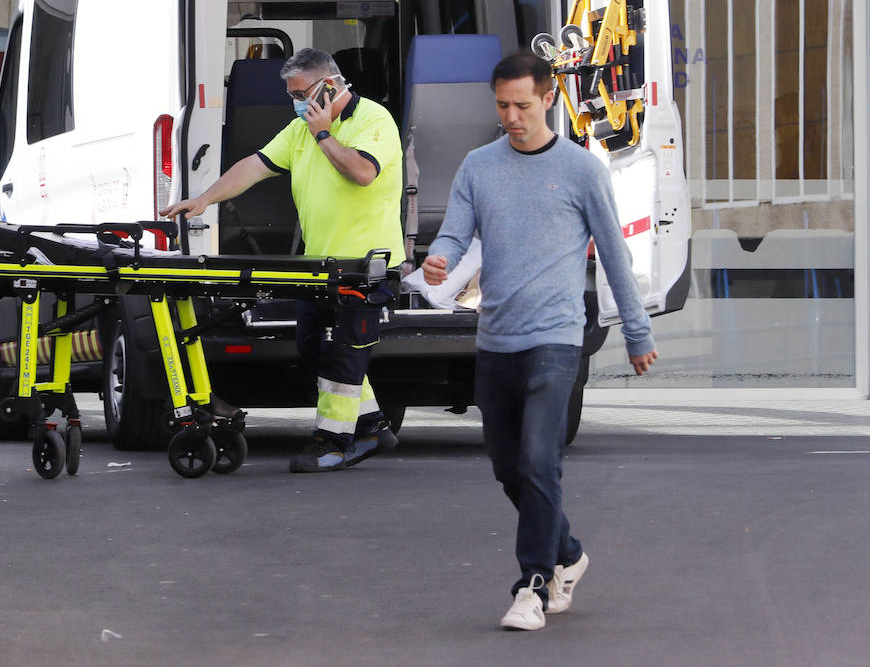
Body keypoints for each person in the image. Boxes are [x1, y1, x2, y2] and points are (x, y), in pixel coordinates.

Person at [420, 51, 657, 631]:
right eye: (502, 105)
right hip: (497, 338)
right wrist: (441, 257)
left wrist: (636, 331)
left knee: (539, 461)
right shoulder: (480, 165)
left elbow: (615, 258)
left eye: (522, 105)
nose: (512, 117)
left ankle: (532, 585)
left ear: (548, 98)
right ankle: (569, 554)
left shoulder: (581, 169)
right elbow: (456, 229)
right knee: (509, 470)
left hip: (555, 337)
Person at [163, 47, 405, 473]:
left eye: (299, 93)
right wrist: (204, 199)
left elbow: (363, 173)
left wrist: (326, 134)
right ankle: (371, 424)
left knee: (345, 354)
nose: (295, 103)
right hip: (320, 264)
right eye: (291, 94)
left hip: (366, 266)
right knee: (313, 348)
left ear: (329, 86)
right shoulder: (299, 130)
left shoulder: (373, 120)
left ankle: (333, 441)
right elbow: (253, 167)